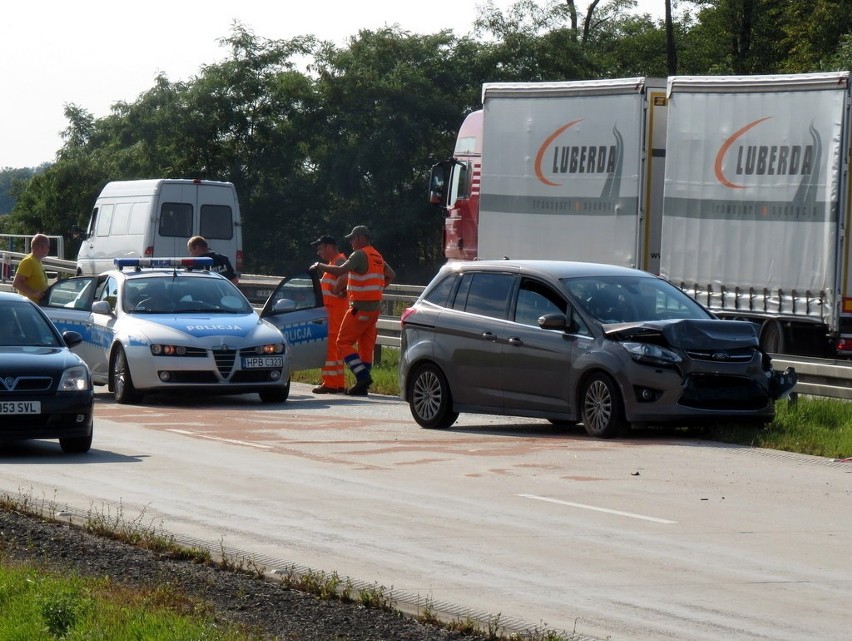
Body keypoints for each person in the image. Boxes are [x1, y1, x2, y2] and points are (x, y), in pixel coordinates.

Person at [311, 225, 395, 396]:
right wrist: (379, 288)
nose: (350, 242)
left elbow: (342, 271)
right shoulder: (377, 256)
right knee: (365, 347)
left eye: (352, 239)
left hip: (359, 308)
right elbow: (391, 275)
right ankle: (362, 385)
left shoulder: (359, 254)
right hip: (374, 310)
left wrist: (319, 266)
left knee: (342, 343)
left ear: (360, 238)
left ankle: (362, 376)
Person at [310, 235, 349, 394]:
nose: (319, 253)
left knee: (330, 348)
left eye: (320, 249)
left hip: (333, 312)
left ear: (328, 247)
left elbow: (345, 275)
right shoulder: (333, 263)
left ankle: (330, 383)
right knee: (335, 349)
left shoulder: (339, 261)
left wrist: (336, 289)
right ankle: (338, 383)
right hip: (332, 312)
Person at [13, 233, 50, 303]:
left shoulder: (38, 262)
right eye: (48, 246)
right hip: (27, 306)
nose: (48, 249)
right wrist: (33, 293)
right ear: (41, 247)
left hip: (37, 305)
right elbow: (17, 283)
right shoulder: (28, 261)